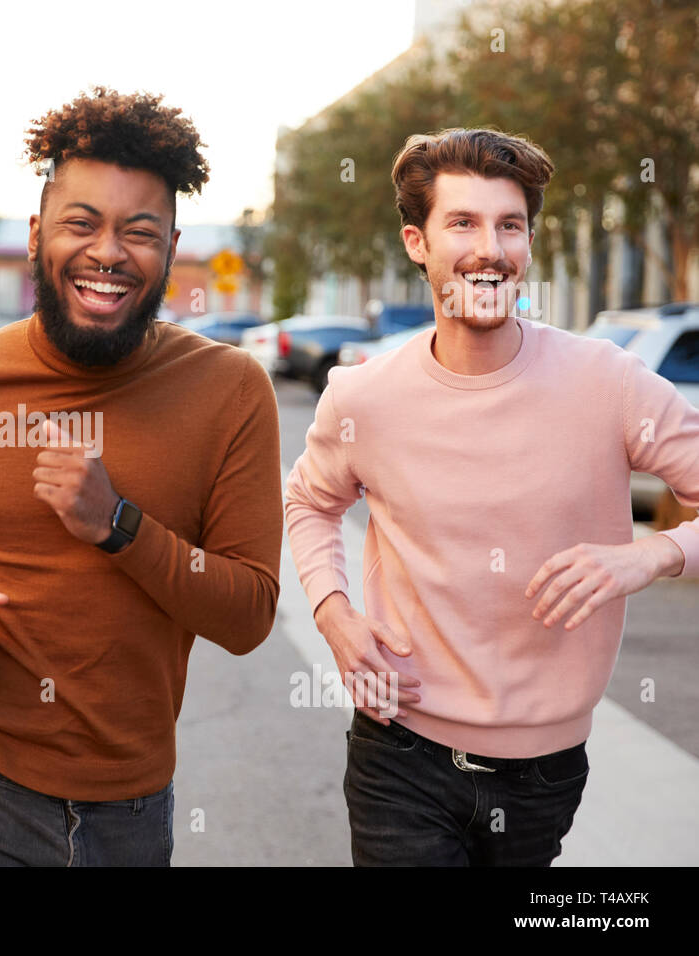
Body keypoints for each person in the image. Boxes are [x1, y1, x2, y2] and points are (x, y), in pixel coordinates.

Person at [0, 87, 282, 866]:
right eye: (81, 223)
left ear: (169, 246)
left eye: (139, 231)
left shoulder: (232, 391)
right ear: (37, 235)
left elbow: (249, 613)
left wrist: (117, 526)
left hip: (129, 809)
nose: (108, 252)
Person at [284, 128, 699, 866]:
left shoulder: (607, 382)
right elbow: (310, 502)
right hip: (398, 753)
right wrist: (335, 614)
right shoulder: (365, 396)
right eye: (463, 223)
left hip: (545, 770)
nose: (490, 249)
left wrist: (654, 554)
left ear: (530, 246)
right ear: (418, 243)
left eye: (510, 225)